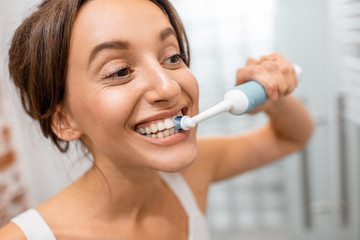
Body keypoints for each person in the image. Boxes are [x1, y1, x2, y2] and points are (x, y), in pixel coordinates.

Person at [0, 0, 314, 239]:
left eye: (172, 57)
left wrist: (269, 98)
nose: (170, 86)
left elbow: (292, 136)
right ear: (64, 121)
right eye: (119, 71)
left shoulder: (194, 174)